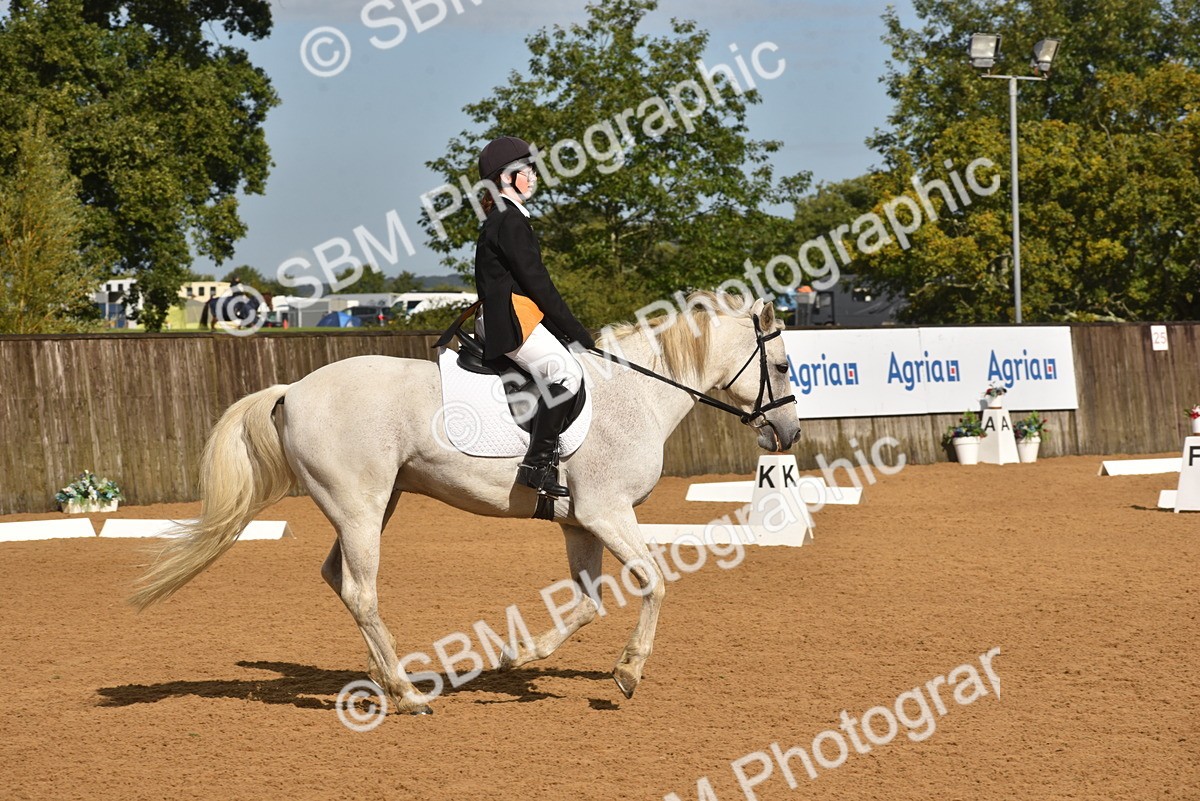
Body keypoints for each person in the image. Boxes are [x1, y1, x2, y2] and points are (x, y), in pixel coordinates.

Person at [472, 136, 595, 499]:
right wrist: (576, 333)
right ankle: (537, 465)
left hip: (514, 313)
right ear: (508, 177)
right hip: (510, 318)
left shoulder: (505, 217)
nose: (535, 177)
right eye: (528, 170)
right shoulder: (509, 221)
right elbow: (538, 285)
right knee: (566, 373)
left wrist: (567, 332)